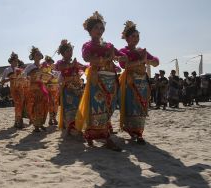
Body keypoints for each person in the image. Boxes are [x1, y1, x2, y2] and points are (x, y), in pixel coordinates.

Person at [75, 11, 127, 151]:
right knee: (98, 107)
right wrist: (106, 59)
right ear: (90, 30)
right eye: (96, 28)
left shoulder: (109, 45)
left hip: (111, 79)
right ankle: (105, 137)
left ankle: (93, 134)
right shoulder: (88, 45)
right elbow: (86, 58)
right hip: (97, 79)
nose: (99, 30)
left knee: (109, 107)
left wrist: (121, 57)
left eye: (101, 28)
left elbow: (122, 56)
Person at [118, 20, 159, 144]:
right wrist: (141, 61)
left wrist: (148, 61)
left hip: (143, 83)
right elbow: (123, 64)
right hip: (130, 82)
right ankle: (132, 130)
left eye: (137, 36)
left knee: (142, 106)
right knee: (131, 105)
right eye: (133, 36)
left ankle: (139, 132)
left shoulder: (142, 51)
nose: (136, 39)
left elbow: (156, 62)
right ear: (127, 38)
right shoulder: (123, 51)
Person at [55, 39, 85, 135]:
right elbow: (59, 68)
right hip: (68, 88)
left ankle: (76, 127)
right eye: (68, 51)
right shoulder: (60, 62)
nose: (70, 52)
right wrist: (72, 65)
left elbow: (84, 67)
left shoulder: (75, 62)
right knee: (70, 108)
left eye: (71, 50)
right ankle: (71, 128)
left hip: (77, 88)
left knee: (78, 107)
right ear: (63, 53)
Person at [24, 46, 49, 132]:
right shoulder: (30, 66)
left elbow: (47, 76)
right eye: (36, 54)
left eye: (39, 54)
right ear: (33, 57)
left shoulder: (43, 66)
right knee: (36, 106)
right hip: (34, 88)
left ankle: (41, 123)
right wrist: (32, 75)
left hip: (42, 87)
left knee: (44, 105)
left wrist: (48, 75)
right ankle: (36, 125)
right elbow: (24, 75)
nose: (38, 56)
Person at [1, 52, 26, 128]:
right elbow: (2, 81)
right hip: (13, 88)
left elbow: (24, 79)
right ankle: (19, 121)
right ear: (11, 61)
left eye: (17, 61)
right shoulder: (7, 69)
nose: (16, 62)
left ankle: (17, 121)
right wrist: (10, 78)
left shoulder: (19, 70)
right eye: (15, 61)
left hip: (20, 88)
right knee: (17, 103)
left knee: (20, 104)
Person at [42, 55, 59, 126]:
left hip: (55, 89)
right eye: (49, 63)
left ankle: (53, 118)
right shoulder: (45, 71)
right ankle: (51, 119)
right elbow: (44, 81)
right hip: (49, 89)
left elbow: (58, 80)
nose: (51, 64)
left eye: (52, 63)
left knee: (56, 104)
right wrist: (49, 77)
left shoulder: (55, 72)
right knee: (51, 104)